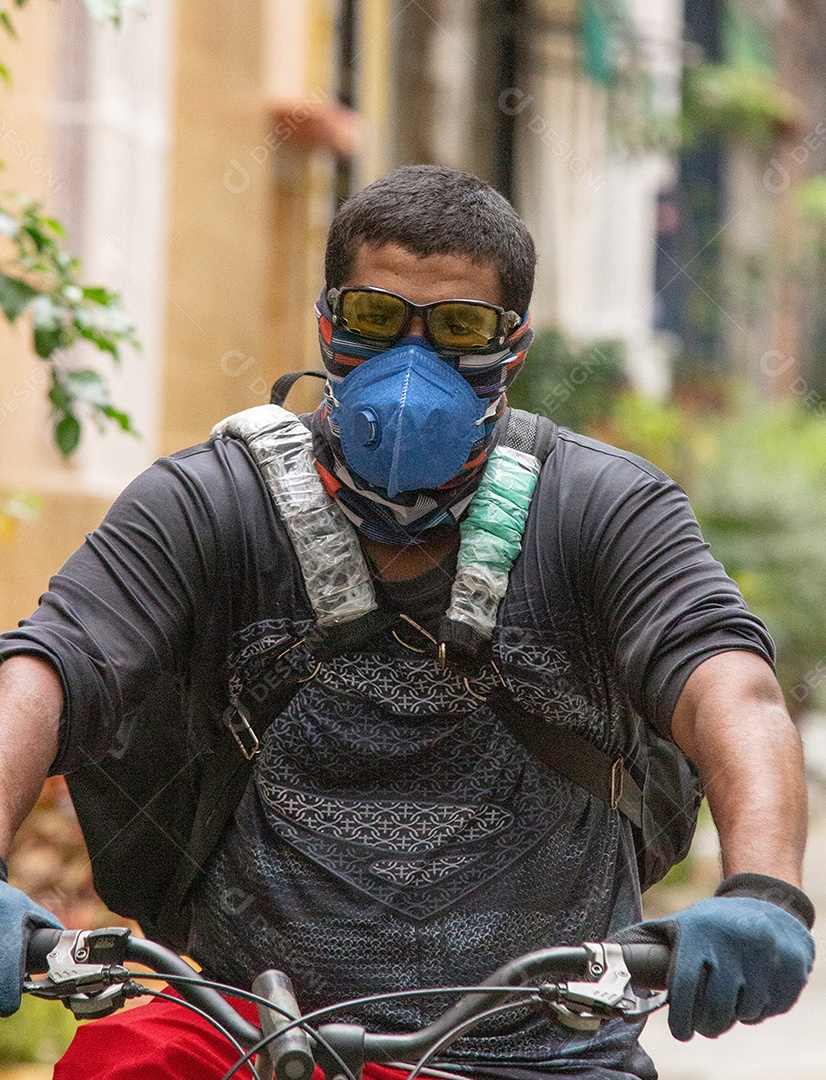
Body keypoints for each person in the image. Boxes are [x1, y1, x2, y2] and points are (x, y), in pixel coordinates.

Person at [0, 164, 815, 1079]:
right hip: (254, 1042)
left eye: (459, 326)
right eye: (376, 318)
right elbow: (48, 667)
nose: (411, 360)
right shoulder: (207, 503)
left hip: (546, 1054)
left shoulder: (605, 510)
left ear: (514, 346)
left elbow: (730, 685)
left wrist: (762, 892)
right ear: (327, 324)